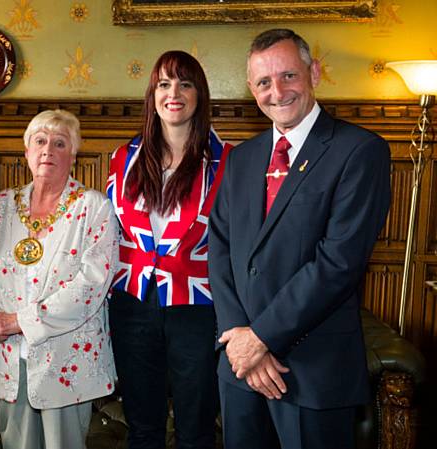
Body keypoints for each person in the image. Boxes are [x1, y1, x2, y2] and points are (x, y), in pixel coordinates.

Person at [208, 28, 391, 449]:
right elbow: (220, 247)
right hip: (240, 372)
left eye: (289, 75)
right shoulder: (242, 158)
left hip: (314, 373)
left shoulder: (360, 151)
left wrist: (261, 339)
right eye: (263, 83)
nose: (278, 92)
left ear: (314, 72)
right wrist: (239, 336)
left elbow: (338, 264)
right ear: (252, 90)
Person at [106, 50, 233, 449]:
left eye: (185, 83)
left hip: (197, 306)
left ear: (200, 95)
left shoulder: (228, 160)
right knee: (143, 427)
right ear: (152, 95)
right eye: (164, 84)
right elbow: (108, 232)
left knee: (196, 429)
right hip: (132, 303)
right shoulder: (123, 159)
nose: (173, 93)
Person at [0, 109, 118, 449]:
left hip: (67, 357)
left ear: (74, 155)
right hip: (8, 355)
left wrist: (19, 321)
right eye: (39, 141)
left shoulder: (93, 207)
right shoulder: (1, 205)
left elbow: (90, 286)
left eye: (60, 143)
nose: (48, 150)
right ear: (26, 152)